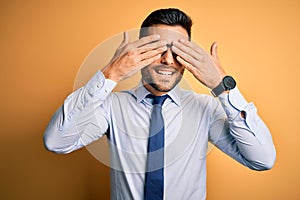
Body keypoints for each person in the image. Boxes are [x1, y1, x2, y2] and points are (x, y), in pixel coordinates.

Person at [44, 8, 276, 200]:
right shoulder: (111, 107)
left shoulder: (205, 108)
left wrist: (222, 86)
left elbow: (262, 159)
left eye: (178, 51)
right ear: (138, 51)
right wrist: (110, 73)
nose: (167, 60)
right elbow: (56, 141)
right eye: (157, 49)